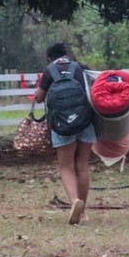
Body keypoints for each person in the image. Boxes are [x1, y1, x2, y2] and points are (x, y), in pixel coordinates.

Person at [33, 43, 95, 226]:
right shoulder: (80, 68)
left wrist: (37, 94)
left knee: (66, 167)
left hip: (62, 124)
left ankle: (74, 201)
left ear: (48, 58)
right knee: (82, 166)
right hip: (85, 120)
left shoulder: (49, 71)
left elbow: (39, 98)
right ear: (66, 55)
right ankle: (82, 212)